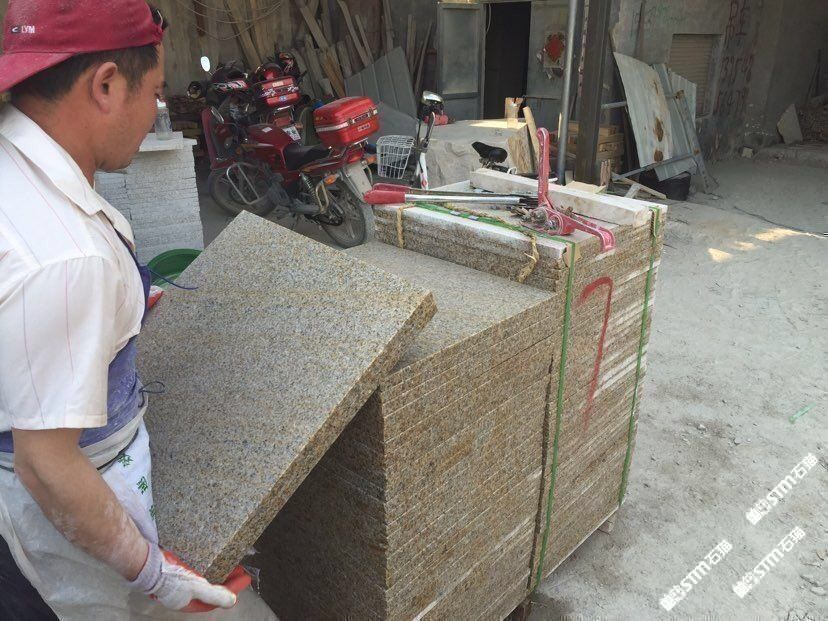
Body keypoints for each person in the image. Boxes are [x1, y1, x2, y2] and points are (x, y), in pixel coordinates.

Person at [0, 2, 273, 619]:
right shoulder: (66, 257)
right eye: (153, 91)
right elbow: (48, 467)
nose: (155, 111)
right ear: (105, 85)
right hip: (48, 532)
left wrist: (118, 311)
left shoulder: (19, 165)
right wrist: (155, 575)